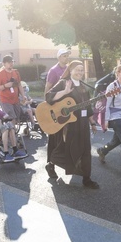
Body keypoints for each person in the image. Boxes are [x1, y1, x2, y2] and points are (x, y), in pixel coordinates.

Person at [45, 60, 99, 189]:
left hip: (82, 123)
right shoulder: (64, 83)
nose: (80, 72)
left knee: (86, 150)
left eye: (81, 70)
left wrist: (92, 122)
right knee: (66, 149)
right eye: (77, 69)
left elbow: (88, 105)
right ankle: (51, 163)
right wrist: (64, 92)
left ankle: (87, 179)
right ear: (70, 70)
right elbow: (48, 97)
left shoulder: (83, 86)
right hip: (68, 124)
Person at [43, 48, 71, 178]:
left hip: (67, 108)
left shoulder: (69, 69)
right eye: (64, 56)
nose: (66, 58)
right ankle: (51, 164)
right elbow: (48, 89)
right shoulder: (54, 71)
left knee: (68, 136)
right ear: (59, 57)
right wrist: (47, 107)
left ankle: (68, 162)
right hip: (55, 107)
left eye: (67, 56)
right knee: (55, 137)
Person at [0, 55, 26, 126]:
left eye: (12, 62)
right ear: (4, 64)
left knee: (17, 118)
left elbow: (19, 85)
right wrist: (5, 86)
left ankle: (12, 132)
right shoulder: (0, 74)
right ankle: (12, 135)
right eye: (9, 62)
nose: (11, 64)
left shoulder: (16, 72)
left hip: (15, 100)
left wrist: (23, 96)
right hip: (5, 100)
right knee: (12, 118)